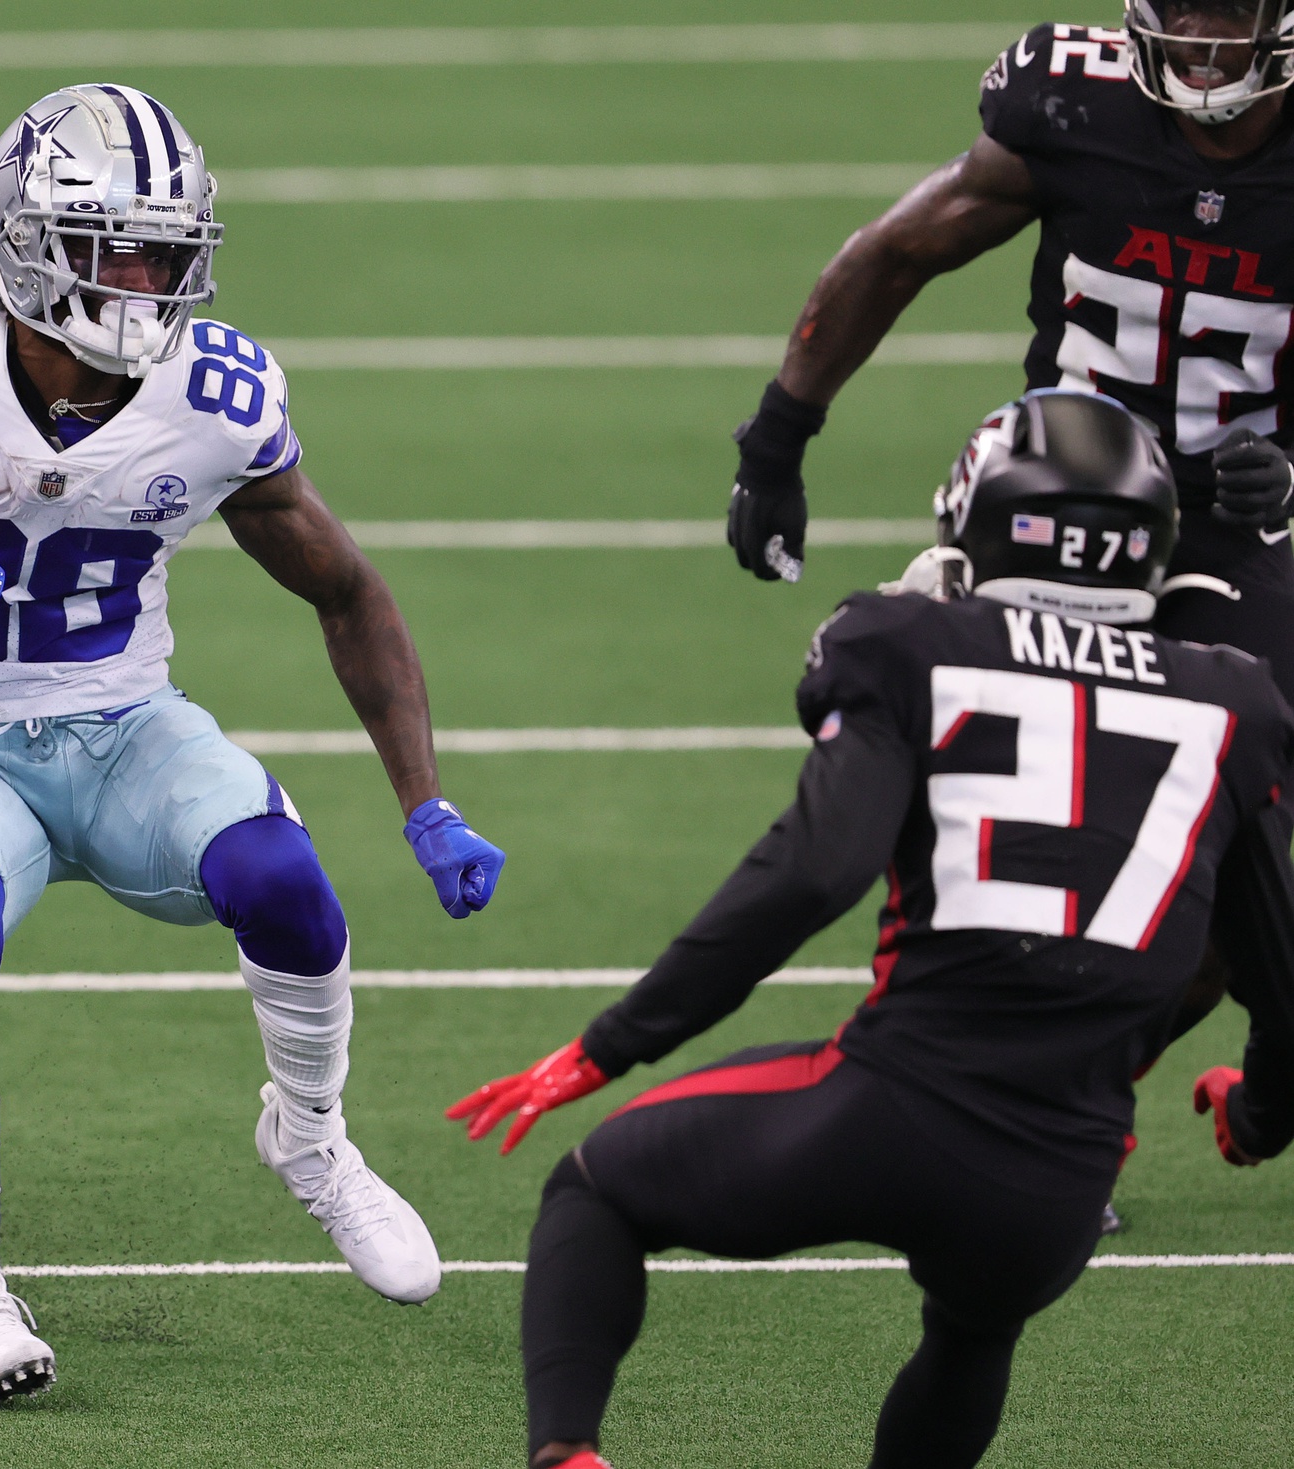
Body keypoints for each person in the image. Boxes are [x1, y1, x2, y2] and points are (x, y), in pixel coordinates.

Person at [0, 84, 506, 1406]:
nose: (142, 278)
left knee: (285, 881)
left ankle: (309, 1139)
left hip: (125, 727)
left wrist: (424, 803)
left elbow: (344, 588)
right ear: (21, 240)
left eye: (162, 249)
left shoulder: (215, 397)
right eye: (109, 245)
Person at [454, 391, 1294, 1469]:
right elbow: (1282, 981)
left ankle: (568, 1454)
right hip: (1061, 1178)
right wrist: (1260, 1112)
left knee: (595, 1189)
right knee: (975, 1328)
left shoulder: (911, 640)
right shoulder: (1236, 700)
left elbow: (814, 868)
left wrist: (611, 1041)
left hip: (891, 1103)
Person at [727, 2, 1294, 1214]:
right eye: (1181, 4)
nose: (1202, 37)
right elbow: (897, 249)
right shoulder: (1075, 103)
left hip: (1247, 523)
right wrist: (777, 438)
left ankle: (1073, 1087)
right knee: (992, 809)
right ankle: (968, 1076)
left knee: (1235, 842)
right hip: (1060, 487)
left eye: (1231, 9)